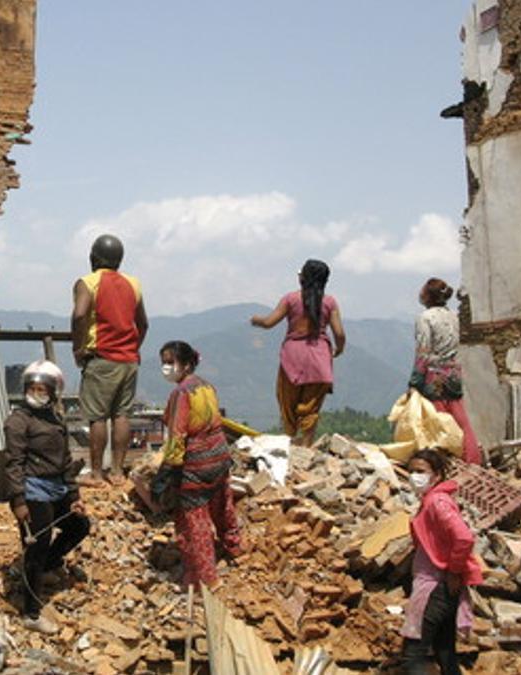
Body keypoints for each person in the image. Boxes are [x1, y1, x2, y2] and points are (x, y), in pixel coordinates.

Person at [4, 360, 90, 634]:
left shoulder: (56, 419)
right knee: (37, 545)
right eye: (33, 388)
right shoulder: (18, 421)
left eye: (43, 389)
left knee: (80, 526)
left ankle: (49, 566)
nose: (37, 393)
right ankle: (31, 611)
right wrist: (18, 500)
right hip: (32, 489)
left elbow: (65, 460)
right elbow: (13, 462)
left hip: (57, 487)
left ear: (53, 393)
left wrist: (74, 493)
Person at [150, 341, 241, 589]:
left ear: (186, 364)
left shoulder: (181, 394)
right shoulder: (206, 386)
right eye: (164, 363)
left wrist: (166, 473)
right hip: (220, 456)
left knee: (193, 521)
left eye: (170, 362)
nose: (166, 368)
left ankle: (206, 577)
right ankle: (234, 547)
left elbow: (178, 436)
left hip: (197, 463)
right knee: (223, 506)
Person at [71, 234, 148, 484]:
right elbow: (143, 323)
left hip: (101, 358)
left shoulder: (88, 282)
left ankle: (95, 473)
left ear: (93, 258)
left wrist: (78, 347)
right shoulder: (133, 284)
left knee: (97, 416)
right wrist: (133, 347)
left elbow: (80, 315)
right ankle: (116, 472)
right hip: (129, 360)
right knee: (122, 415)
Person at [402, 449, 482, 675]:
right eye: (411, 471)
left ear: (436, 475)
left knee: (413, 655)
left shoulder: (437, 502)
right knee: (445, 651)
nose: (414, 476)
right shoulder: (432, 500)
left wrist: (454, 570)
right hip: (442, 587)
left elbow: (464, 537)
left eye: (420, 471)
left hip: (434, 587)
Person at [250, 259, 346, 446]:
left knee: (288, 403)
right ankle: (307, 447)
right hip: (320, 359)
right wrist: (339, 349)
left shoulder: (291, 299)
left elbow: (269, 322)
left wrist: (256, 320)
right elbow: (339, 333)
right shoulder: (330, 302)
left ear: (304, 278)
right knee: (310, 408)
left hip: (292, 357)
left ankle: (290, 442)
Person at [410, 278, 482, 465]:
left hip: (435, 374)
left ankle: (439, 463)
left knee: (438, 421)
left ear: (427, 295)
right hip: (454, 371)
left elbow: (423, 352)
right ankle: (472, 459)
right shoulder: (453, 316)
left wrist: (415, 381)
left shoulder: (425, 318)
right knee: (460, 418)